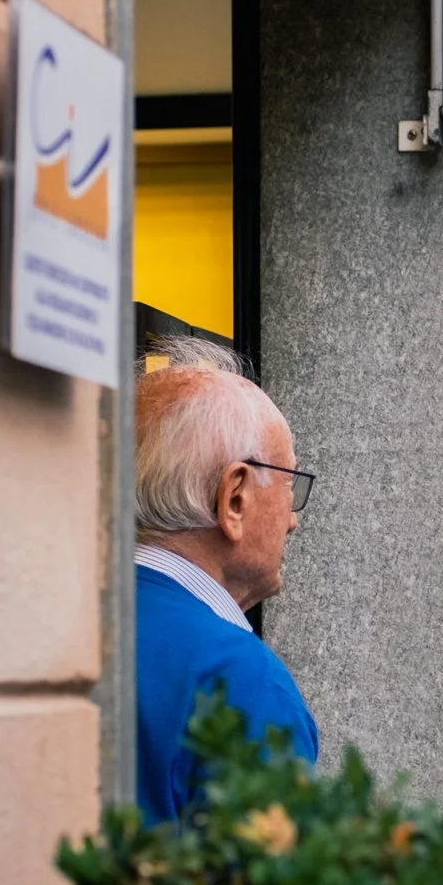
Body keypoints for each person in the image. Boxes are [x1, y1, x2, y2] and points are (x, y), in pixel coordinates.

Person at [134, 339, 319, 824]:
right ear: (234, 499)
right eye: (289, 483)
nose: (293, 520)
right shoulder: (237, 677)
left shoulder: (61, 626)